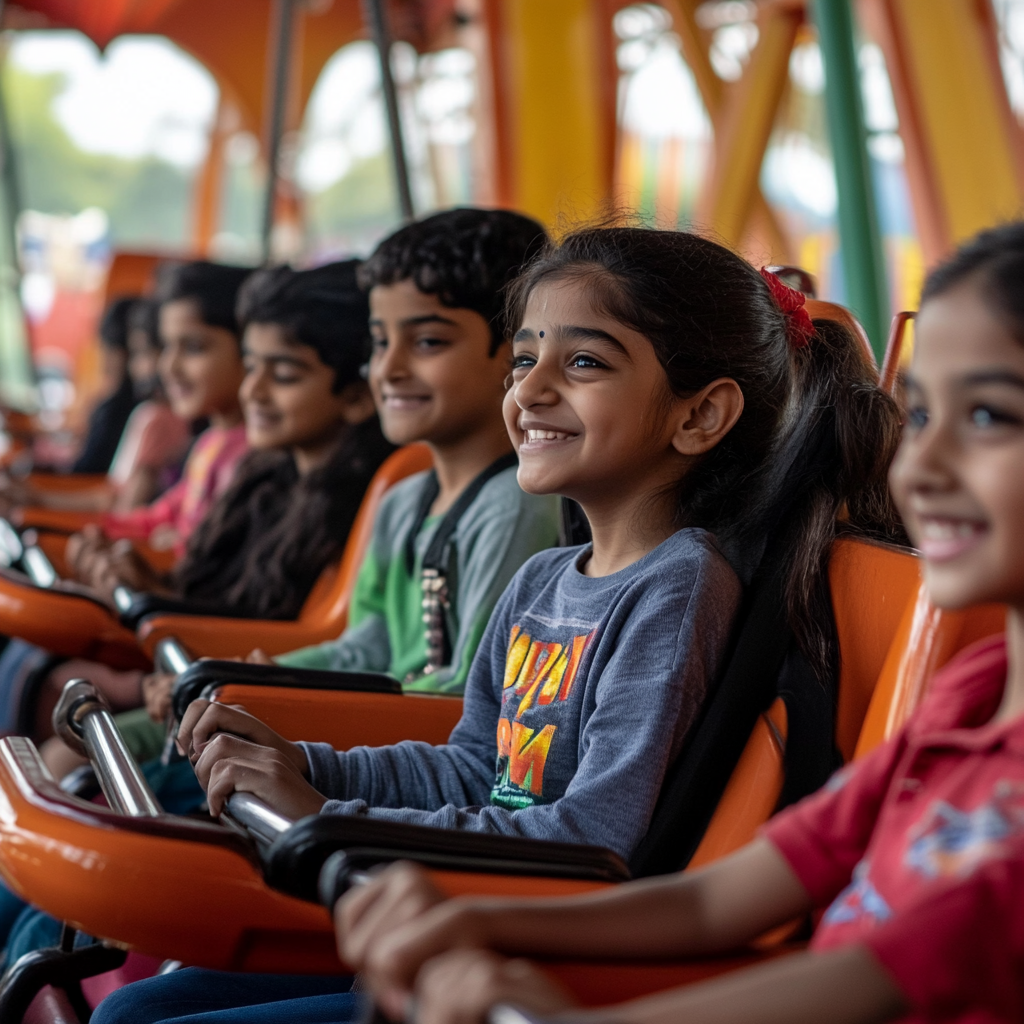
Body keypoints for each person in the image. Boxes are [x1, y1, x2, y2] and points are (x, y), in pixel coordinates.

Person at [91, 225, 902, 1024]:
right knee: (139, 1006)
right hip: (457, 916)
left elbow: (595, 834)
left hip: (522, 949)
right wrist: (308, 766)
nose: (531, 391)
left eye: (582, 362)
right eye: (524, 359)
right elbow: (476, 764)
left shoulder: (680, 585)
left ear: (700, 417)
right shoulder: (544, 577)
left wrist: (324, 817)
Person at [323, 222, 1024, 1024]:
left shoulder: (681, 582)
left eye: (990, 418)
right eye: (924, 415)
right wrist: (479, 919)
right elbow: (715, 901)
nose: (920, 468)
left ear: (700, 416)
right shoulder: (969, 698)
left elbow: (873, 978)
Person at [35, 260, 395, 779]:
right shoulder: (262, 478)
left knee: (61, 733)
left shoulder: (367, 503)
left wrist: (203, 666)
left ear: (356, 394)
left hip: (248, 708)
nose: (254, 392)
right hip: (209, 689)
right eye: (253, 369)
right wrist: (151, 584)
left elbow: (312, 637)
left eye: (285, 375)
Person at [248, 208, 563, 694]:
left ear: (517, 351)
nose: (387, 368)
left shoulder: (517, 507)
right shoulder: (402, 500)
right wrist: (251, 678)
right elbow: (365, 653)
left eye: (428, 341)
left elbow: (468, 692)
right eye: (379, 341)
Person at [3, 298, 191, 514]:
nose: (134, 365)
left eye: (142, 353)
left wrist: (40, 499)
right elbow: (113, 495)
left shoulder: (155, 418)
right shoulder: (155, 416)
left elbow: (123, 510)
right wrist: (38, 497)